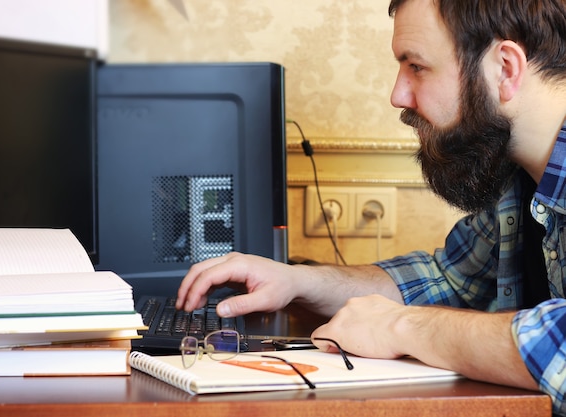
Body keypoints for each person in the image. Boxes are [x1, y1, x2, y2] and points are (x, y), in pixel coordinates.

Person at [176, 0, 566, 414]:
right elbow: (448, 279)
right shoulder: (517, 182)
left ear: (505, 68)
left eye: (416, 66)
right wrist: (299, 282)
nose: (398, 95)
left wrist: (402, 326)